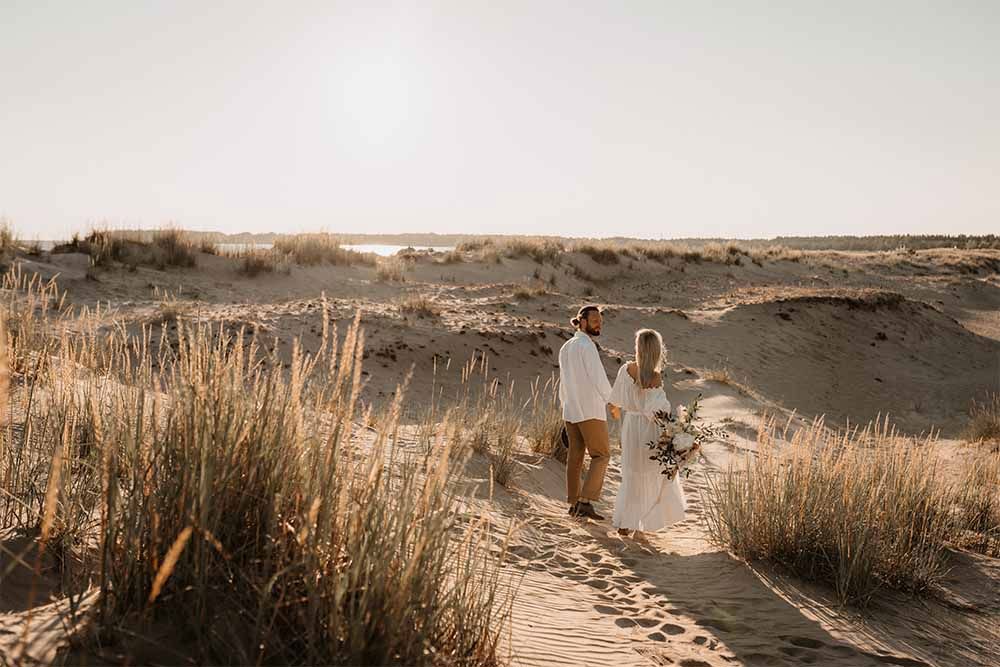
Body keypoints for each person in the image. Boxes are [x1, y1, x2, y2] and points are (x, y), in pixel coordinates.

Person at [609, 329, 686, 537]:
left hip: (630, 427)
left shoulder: (626, 370)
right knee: (650, 475)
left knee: (631, 474)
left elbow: (614, 403)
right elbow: (660, 413)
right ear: (656, 351)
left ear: (639, 348)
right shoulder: (655, 376)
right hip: (649, 431)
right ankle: (640, 526)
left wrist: (623, 418)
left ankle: (625, 523)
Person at [558, 305, 618, 520]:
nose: (598, 324)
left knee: (575, 458)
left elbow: (563, 382)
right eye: (594, 320)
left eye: (600, 320)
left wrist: (564, 407)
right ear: (581, 321)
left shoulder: (566, 347)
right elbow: (599, 378)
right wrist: (613, 402)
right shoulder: (587, 346)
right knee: (601, 455)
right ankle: (585, 502)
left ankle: (574, 504)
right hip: (590, 411)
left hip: (571, 410)